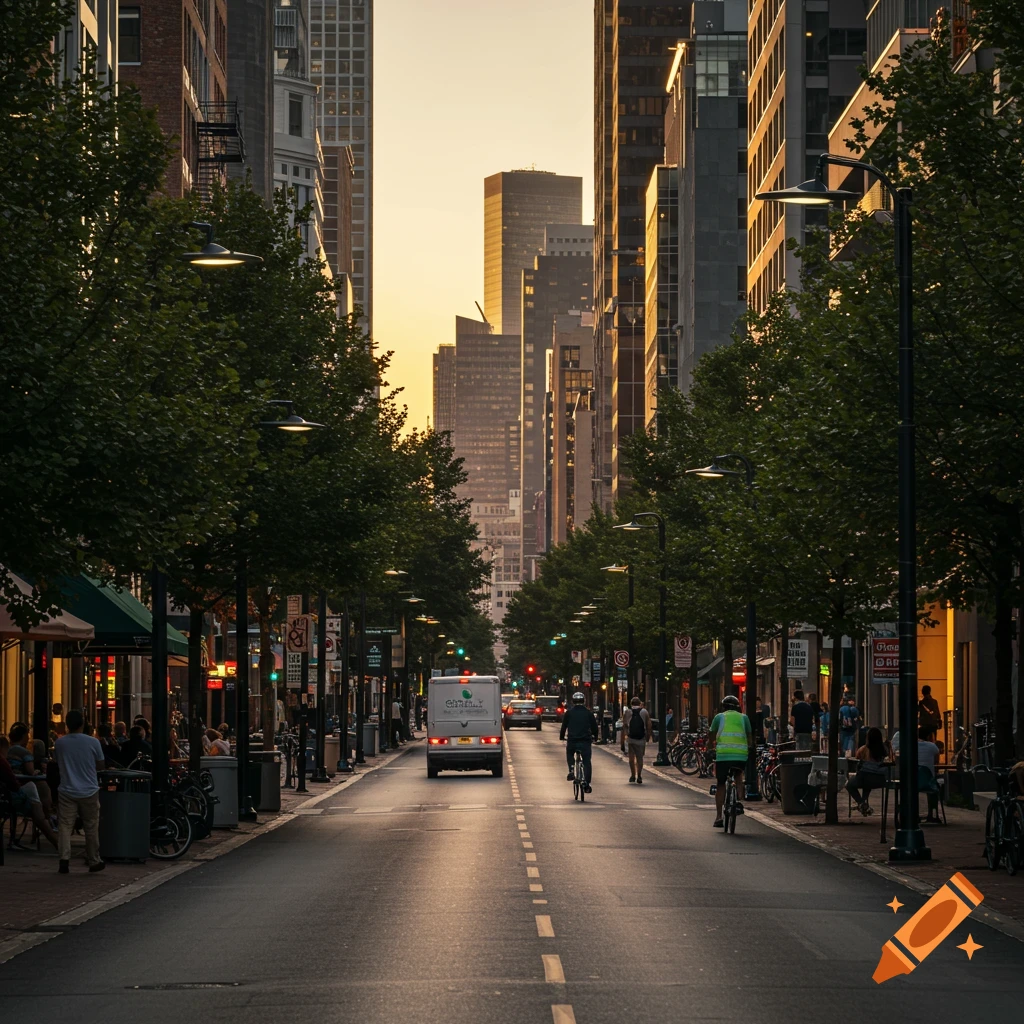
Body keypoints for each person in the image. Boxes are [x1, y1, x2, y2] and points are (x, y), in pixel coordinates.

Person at [54, 708, 105, 873]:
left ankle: (64, 859)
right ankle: (93, 860)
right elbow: (100, 765)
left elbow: (56, 762)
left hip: (67, 789)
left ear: (67, 724)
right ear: (83, 723)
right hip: (89, 789)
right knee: (91, 826)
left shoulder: (60, 743)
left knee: (65, 825)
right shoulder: (93, 742)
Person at [0, 736, 59, 851]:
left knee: (36, 800)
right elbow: (13, 784)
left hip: (5, 796)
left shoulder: (4, 761)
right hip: (8, 799)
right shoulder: (2, 762)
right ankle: (54, 837)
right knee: (35, 800)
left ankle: (51, 828)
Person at [708, 695, 754, 829]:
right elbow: (749, 736)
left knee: (721, 783)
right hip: (740, 755)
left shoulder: (719, 717)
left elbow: (711, 734)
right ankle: (739, 801)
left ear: (724, 707)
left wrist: (710, 747)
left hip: (723, 755)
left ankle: (718, 817)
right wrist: (749, 747)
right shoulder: (744, 718)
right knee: (738, 775)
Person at [559, 691, 597, 793]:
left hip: (573, 740)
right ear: (584, 701)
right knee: (586, 761)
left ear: (573, 701)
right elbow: (594, 726)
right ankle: (587, 783)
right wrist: (595, 736)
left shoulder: (569, 713)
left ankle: (571, 770)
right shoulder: (588, 713)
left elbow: (564, 726)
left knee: (570, 753)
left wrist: (562, 737)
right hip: (585, 741)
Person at [846, 726, 889, 815]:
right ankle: (864, 802)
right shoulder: (885, 750)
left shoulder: (863, 749)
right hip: (880, 780)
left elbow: (856, 759)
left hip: (864, 778)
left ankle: (861, 802)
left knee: (849, 785)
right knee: (868, 780)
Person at [622, 696, 652, 784]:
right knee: (640, 758)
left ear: (631, 704)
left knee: (631, 758)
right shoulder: (644, 712)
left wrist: (625, 736)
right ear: (640, 704)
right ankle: (639, 775)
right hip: (641, 739)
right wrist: (648, 736)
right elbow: (648, 725)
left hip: (631, 739)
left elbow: (624, 725)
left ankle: (632, 775)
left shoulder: (627, 712)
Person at [918, 726, 942, 823]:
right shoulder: (933, 746)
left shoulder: (910, 745)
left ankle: (913, 814)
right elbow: (936, 762)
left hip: (913, 781)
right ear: (929, 736)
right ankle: (932, 814)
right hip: (928, 781)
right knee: (934, 786)